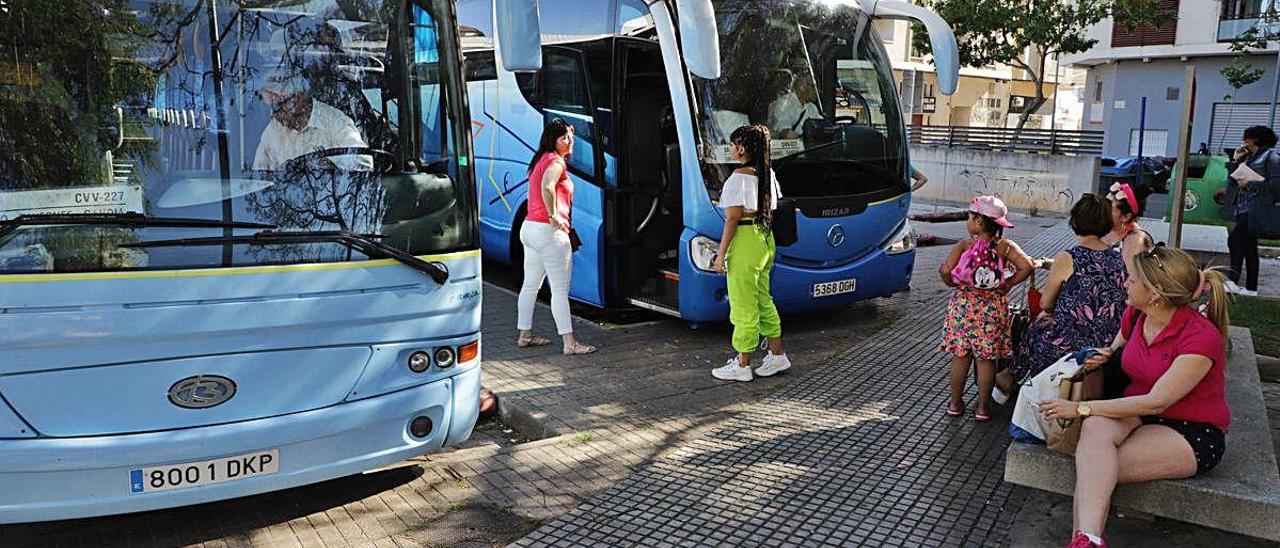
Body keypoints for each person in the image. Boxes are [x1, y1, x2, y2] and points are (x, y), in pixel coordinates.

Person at [1038, 245, 1230, 548]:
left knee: (1092, 471)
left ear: (1155, 292)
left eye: (1131, 279)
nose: (1124, 283)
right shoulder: (1138, 314)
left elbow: (1158, 401)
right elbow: (1121, 341)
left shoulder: (1201, 337)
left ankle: (1085, 540)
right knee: (1094, 436)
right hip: (1140, 413)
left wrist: (1080, 407)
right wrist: (1108, 354)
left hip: (1191, 430)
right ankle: (1087, 540)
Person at [1006, 194, 1127, 386]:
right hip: (1110, 338)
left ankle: (1013, 380)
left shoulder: (1068, 257)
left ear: (1075, 220)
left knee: (1038, 327)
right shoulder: (1119, 258)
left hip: (1075, 342)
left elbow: (1045, 303)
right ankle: (1009, 379)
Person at [938, 196, 1034, 420]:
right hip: (992, 308)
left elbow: (946, 272)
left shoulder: (964, 245)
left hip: (963, 306)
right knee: (986, 359)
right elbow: (1027, 266)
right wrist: (1007, 285)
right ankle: (982, 407)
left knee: (961, 357)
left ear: (979, 220)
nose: (968, 221)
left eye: (970, 217)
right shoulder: (1005, 247)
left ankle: (954, 404)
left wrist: (954, 282)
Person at [710, 124, 790, 382]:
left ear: (741, 149)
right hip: (765, 240)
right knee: (763, 299)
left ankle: (743, 365)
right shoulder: (767, 174)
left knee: (743, 305)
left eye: (733, 144)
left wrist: (720, 255)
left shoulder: (737, 179)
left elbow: (732, 220)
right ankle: (778, 356)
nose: (731, 148)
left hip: (745, 241)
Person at [515, 118, 596, 355]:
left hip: (529, 228)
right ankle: (570, 343)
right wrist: (554, 216)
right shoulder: (556, 162)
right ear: (553, 141)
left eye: (571, 136)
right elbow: (548, 187)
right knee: (560, 290)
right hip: (548, 233)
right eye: (564, 137)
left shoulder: (540, 159)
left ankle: (525, 335)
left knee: (530, 285)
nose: (570, 141)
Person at [253, 69, 373, 172]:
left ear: (299, 98)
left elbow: (365, 165)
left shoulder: (335, 121)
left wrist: (334, 169)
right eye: (268, 107)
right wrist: (278, 174)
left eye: (276, 106)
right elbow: (257, 176)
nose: (271, 114)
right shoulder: (273, 130)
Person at [1221, 125, 1280, 297]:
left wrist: (1250, 183)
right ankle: (1251, 288)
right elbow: (1233, 183)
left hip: (1257, 208)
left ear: (1255, 139)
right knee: (1248, 247)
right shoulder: (1249, 158)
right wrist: (1236, 161)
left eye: (1246, 138)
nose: (1243, 141)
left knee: (1235, 239)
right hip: (1244, 208)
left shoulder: (1272, 157)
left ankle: (1232, 280)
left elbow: (1277, 187)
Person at [1102, 181, 1154, 270]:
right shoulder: (1103, 230)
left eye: (1107, 207)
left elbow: (1131, 277)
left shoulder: (1136, 240)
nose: (1101, 210)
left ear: (1126, 217)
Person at [767, 70, 822, 138]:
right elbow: (785, 132)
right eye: (813, 86)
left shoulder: (811, 107)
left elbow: (822, 126)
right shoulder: (784, 104)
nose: (817, 91)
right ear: (802, 86)